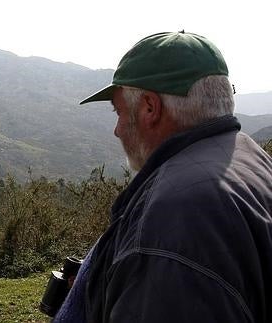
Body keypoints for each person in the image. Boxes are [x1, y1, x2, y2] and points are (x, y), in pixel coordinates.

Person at [54, 31, 272, 322]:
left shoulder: (171, 222)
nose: (117, 129)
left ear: (149, 108)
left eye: (118, 111)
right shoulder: (249, 157)